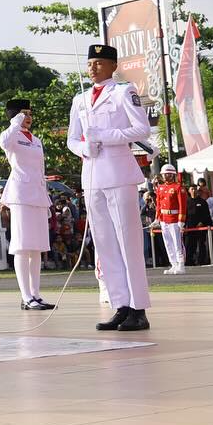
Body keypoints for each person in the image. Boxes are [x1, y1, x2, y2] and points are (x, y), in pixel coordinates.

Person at [68, 44, 152, 332]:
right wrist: (84, 146)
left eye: (99, 63)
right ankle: (121, 305)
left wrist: (105, 136)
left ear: (112, 66)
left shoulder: (123, 92)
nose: (92, 68)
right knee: (105, 244)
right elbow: (72, 139)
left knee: (129, 242)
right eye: (90, 62)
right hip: (91, 175)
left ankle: (139, 308)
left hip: (118, 173)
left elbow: (141, 130)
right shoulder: (79, 99)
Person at [0, 100, 54, 310]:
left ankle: (36, 295)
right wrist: (15, 122)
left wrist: (46, 195)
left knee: (36, 247)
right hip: (21, 194)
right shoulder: (12, 137)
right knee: (22, 246)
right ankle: (26, 296)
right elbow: (3, 143)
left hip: (37, 194)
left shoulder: (36, 140)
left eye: (30, 113)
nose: (28, 117)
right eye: (23, 113)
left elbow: (40, 169)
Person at [153, 165, 188, 274]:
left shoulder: (178, 188)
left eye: (165, 174)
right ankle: (173, 264)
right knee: (168, 243)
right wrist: (157, 219)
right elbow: (158, 205)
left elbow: (183, 205)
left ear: (171, 175)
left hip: (174, 219)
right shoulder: (160, 188)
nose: (163, 175)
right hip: (164, 219)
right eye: (163, 174)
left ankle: (181, 265)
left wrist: (181, 220)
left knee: (177, 243)